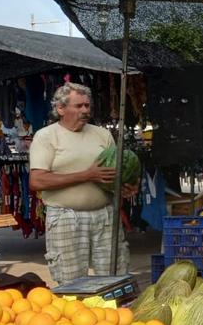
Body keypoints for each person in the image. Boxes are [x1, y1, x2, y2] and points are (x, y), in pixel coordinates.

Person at [28, 82, 137, 284]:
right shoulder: (46, 136)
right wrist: (86, 175)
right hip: (66, 217)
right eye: (79, 106)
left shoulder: (102, 134)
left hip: (105, 215)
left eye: (87, 105)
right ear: (60, 109)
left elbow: (115, 173)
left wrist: (126, 187)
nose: (85, 110)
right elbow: (37, 180)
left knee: (115, 276)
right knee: (71, 283)